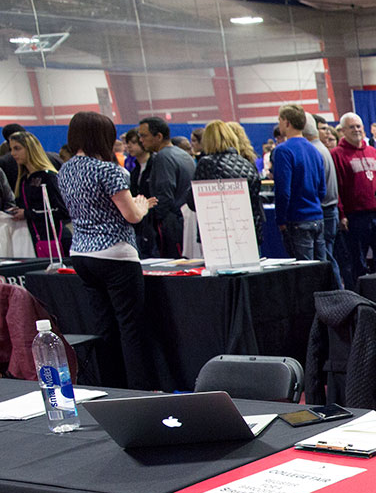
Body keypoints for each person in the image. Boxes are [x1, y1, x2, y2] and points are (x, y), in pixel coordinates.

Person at [55, 111, 161, 390]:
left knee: (104, 327)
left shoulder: (65, 170)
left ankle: (112, 386)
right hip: (114, 253)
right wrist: (143, 204)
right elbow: (132, 216)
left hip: (81, 253)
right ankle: (140, 388)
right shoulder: (109, 170)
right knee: (130, 326)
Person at [332, 113, 376, 277]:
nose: (356, 130)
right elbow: (336, 187)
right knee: (357, 264)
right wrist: (341, 214)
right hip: (354, 218)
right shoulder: (337, 155)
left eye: (358, 126)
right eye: (351, 127)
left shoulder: (373, 152)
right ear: (343, 130)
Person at [191, 120, 263, 253]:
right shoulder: (246, 162)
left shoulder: (206, 163)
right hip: (248, 230)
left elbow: (192, 200)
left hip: (218, 232)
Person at [272, 104, 328, 263]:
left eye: (280, 120)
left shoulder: (283, 151)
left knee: (304, 274)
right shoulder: (315, 150)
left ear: (287, 122)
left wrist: (281, 220)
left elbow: (283, 190)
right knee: (321, 270)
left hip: (297, 219)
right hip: (317, 217)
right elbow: (322, 189)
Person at [137, 115, 194, 256]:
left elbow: (164, 195)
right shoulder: (183, 154)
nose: (141, 140)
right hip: (185, 222)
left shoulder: (163, 158)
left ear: (159, 136)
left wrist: (157, 220)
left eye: (144, 135)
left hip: (171, 225)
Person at [6, 130, 68, 257]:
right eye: (11, 149)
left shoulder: (48, 177)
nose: (13, 153)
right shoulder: (23, 179)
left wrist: (28, 213)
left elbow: (62, 211)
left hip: (54, 238)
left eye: (17, 148)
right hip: (33, 240)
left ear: (30, 148)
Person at [305, 116, 344, 285]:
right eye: (323, 129)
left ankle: (337, 296)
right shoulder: (322, 150)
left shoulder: (316, 151)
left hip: (325, 209)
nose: (327, 133)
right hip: (329, 209)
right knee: (328, 257)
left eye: (327, 128)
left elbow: (320, 188)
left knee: (327, 260)